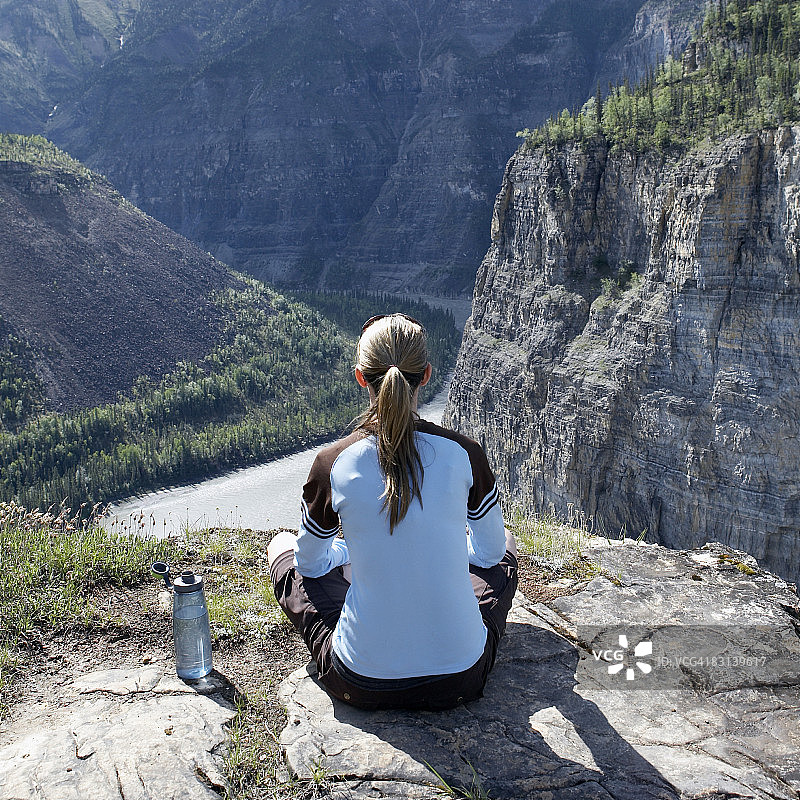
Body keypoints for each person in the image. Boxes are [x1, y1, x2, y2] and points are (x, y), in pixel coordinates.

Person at [267, 313, 518, 710]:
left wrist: (349, 556)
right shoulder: (465, 455)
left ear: (361, 377)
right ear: (428, 374)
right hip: (460, 679)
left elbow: (311, 567)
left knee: (282, 549)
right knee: (504, 546)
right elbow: (487, 555)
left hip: (363, 682)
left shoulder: (333, 463)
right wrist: (447, 552)